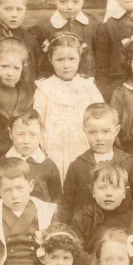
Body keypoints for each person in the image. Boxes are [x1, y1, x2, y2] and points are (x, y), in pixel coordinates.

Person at [33, 33, 104, 181]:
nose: (66, 65)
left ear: (79, 57)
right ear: (50, 59)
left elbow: (101, 117)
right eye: (59, 59)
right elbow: (37, 123)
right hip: (54, 147)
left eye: (72, 59)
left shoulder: (88, 86)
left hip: (82, 145)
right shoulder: (44, 88)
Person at [60, 104, 133, 223]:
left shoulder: (129, 163)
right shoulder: (77, 165)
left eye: (106, 131)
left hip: (121, 228)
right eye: (92, 132)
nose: (99, 138)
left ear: (116, 131)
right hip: (85, 229)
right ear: (84, 131)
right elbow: (66, 205)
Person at [31, 0, 99, 81]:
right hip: (55, 81)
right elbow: (42, 59)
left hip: (86, 80)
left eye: (75, 2)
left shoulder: (92, 26)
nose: (69, 7)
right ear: (55, 0)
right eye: (63, 1)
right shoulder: (45, 27)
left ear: (83, 0)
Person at [2, 109, 63, 206]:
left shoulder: (48, 165)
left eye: (33, 134)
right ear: (10, 133)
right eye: (21, 134)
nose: (26, 140)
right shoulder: (2, 163)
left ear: (41, 134)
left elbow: (57, 198)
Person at [0, 37, 35, 161]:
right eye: (4, 66)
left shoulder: (26, 96)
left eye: (16, 68)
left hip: (18, 152)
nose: (10, 73)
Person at [0, 0, 38, 79]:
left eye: (19, 9)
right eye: (8, 9)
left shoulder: (30, 38)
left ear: (25, 10)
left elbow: (33, 71)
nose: (14, 14)